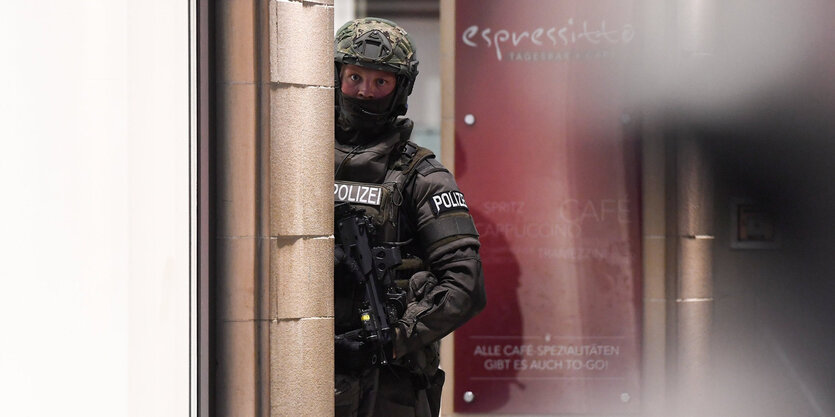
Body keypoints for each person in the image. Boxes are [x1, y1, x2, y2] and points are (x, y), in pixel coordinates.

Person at [332, 17, 486, 417]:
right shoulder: (298, 160)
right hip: (307, 368)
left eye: (380, 82)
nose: (365, 92)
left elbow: (464, 282)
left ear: (400, 89)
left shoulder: (422, 176)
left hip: (389, 384)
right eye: (354, 77)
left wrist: (391, 340)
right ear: (336, 78)